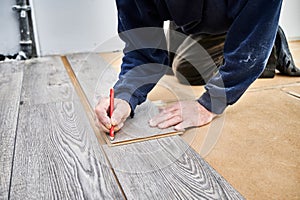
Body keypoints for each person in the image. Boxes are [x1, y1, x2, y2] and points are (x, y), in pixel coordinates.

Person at [95, 0, 284, 133]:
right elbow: (143, 50)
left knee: (189, 69)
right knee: (179, 64)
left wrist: (210, 104)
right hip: (193, 20)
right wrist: (125, 95)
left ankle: (267, 38)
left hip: (244, 15)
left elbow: (248, 54)